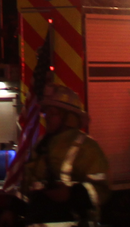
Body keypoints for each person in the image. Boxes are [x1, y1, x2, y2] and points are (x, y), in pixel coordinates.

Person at [19, 81, 109, 226]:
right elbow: (27, 182)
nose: (47, 117)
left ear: (69, 118)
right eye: (46, 112)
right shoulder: (42, 144)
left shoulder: (87, 147)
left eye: (53, 113)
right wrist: (13, 209)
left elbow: (101, 189)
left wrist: (71, 194)